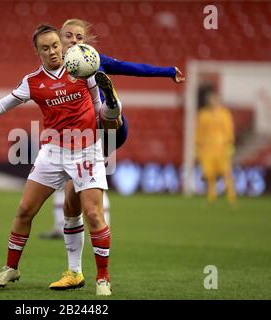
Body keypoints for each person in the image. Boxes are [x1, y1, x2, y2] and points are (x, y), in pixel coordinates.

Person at [0, 24, 114, 296]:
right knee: (24, 210)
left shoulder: (83, 69)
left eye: (55, 45)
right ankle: (11, 267)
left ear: (61, 44)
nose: (53, 51)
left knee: (92, 213)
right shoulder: (32, 81)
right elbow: (1, 105)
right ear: (38, 52)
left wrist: (112, 106)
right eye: (45, 48)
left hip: (85, 150)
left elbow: (99, 108)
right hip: (52, 152)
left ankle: (103, 278)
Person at [41, 18, 185, 290]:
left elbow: (132, 67)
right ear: (59, 41)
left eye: (79, 37)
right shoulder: (52, 72)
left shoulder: (95, 60)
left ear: (86, 41)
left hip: (110, 130)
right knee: (73, 201)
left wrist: (168, 71)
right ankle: (74, 272)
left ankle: (111, 106)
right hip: (81, 143)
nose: (74, 41)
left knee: (105, 113)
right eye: (69, 36)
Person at [196, 90, 236, 205]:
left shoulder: (225, 114)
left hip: (221, 148)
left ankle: (231, 198)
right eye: (211, 100)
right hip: (207, 149)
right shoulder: (203, 114)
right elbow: (199, 131)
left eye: (215, 99)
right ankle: (211, 198)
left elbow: (229, 130)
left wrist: (230, 144)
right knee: (209, 174)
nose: (213, 102)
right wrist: (197, 146)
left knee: (226, 173)